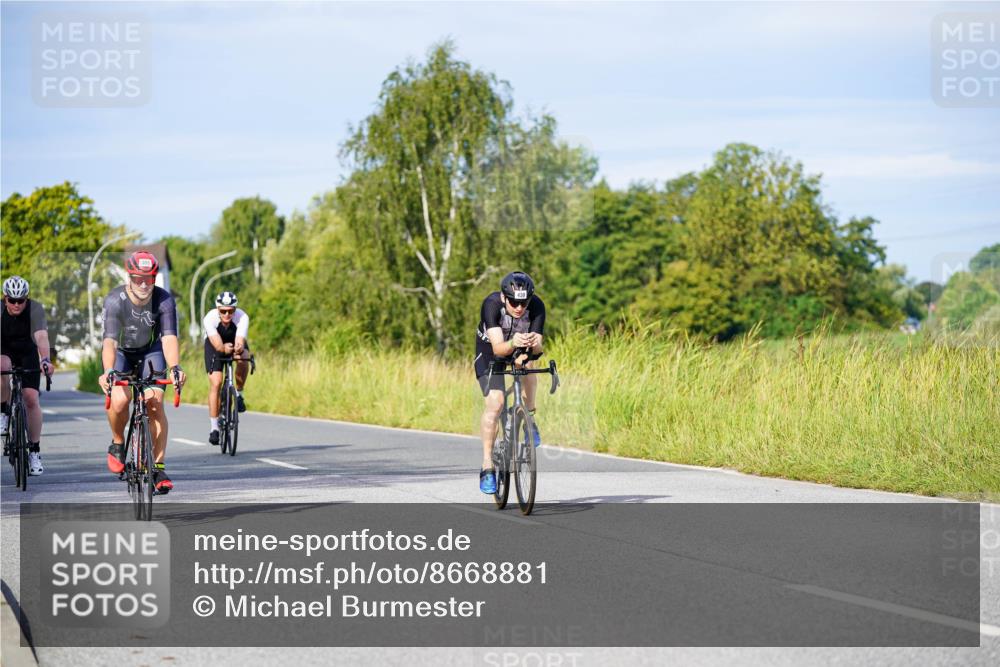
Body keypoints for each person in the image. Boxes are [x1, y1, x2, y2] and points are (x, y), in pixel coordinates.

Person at [97, 251, 186, 494]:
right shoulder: (115, 300)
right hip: (122, 353)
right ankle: (117, 442)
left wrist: (175, 368)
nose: (144, 284)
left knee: (155, 403)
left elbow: (168, 338)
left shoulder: (164, 300)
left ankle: (157, 467)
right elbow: (110, 342)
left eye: (150, 278)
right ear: (130, 277)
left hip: (151, 351)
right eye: (138, 279)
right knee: (119, 400)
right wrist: (108, 371)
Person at [474, 271, 545, 494]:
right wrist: (514, 342)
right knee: (496, 403)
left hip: (517, 349)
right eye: (514, 302)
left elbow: (539, 348)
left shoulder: (537, 307)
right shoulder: (492, 305)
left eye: (524, 303)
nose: (519, 307)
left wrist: (531, 349)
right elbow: (498, 348)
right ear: (504, 298)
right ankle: (487, 465)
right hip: (490, 353)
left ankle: (529, 418)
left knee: (530, 367)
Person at [1, 276, 53, 475]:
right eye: (12, 300)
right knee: (3, 364)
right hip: (3, 350)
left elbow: (41, 336)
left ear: (26, 298)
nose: (16, 305)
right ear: (5, 299)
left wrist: (45, 360)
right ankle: (3, 412)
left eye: (20, 300)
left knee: (31, 398)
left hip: (27, 352)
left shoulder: (35, 309)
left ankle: (34, 451)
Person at [203, 291, 251, 445]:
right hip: (214, 343)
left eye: (230, 311)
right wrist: (224, 349)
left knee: (243, 358)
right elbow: (217, 345)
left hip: (232, 340)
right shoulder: (209, 318)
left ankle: (239, 393)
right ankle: (214, 428)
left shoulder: (242, 317)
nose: (227, 314)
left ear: (235, 310)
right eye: (223, 311)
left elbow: (240, 340)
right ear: (218, 309)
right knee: (216, 382)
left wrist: (238, 348)